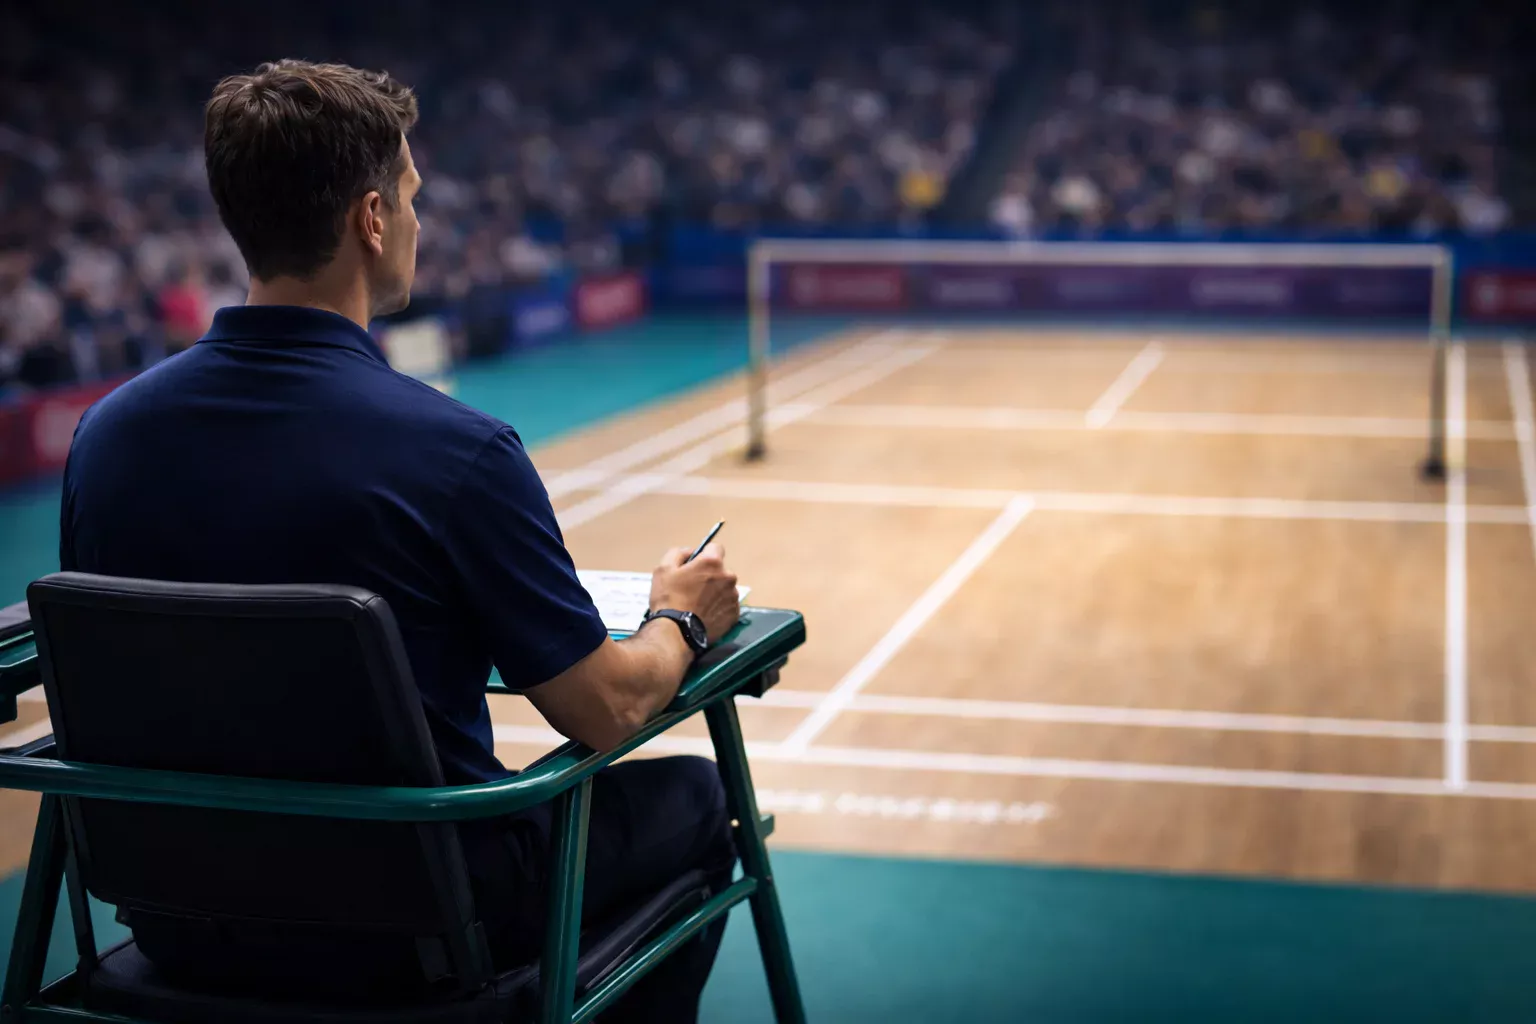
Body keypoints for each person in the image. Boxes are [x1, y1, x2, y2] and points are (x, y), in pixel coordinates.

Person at [58, 60, 742, 1023]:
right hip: (421, 919)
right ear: (371, 221)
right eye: (412, 198)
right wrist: (682, 621)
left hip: (179, 914)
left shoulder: (106, 439)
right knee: (704, 801)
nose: (420, 221)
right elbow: (606, 711)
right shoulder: (458, 453)